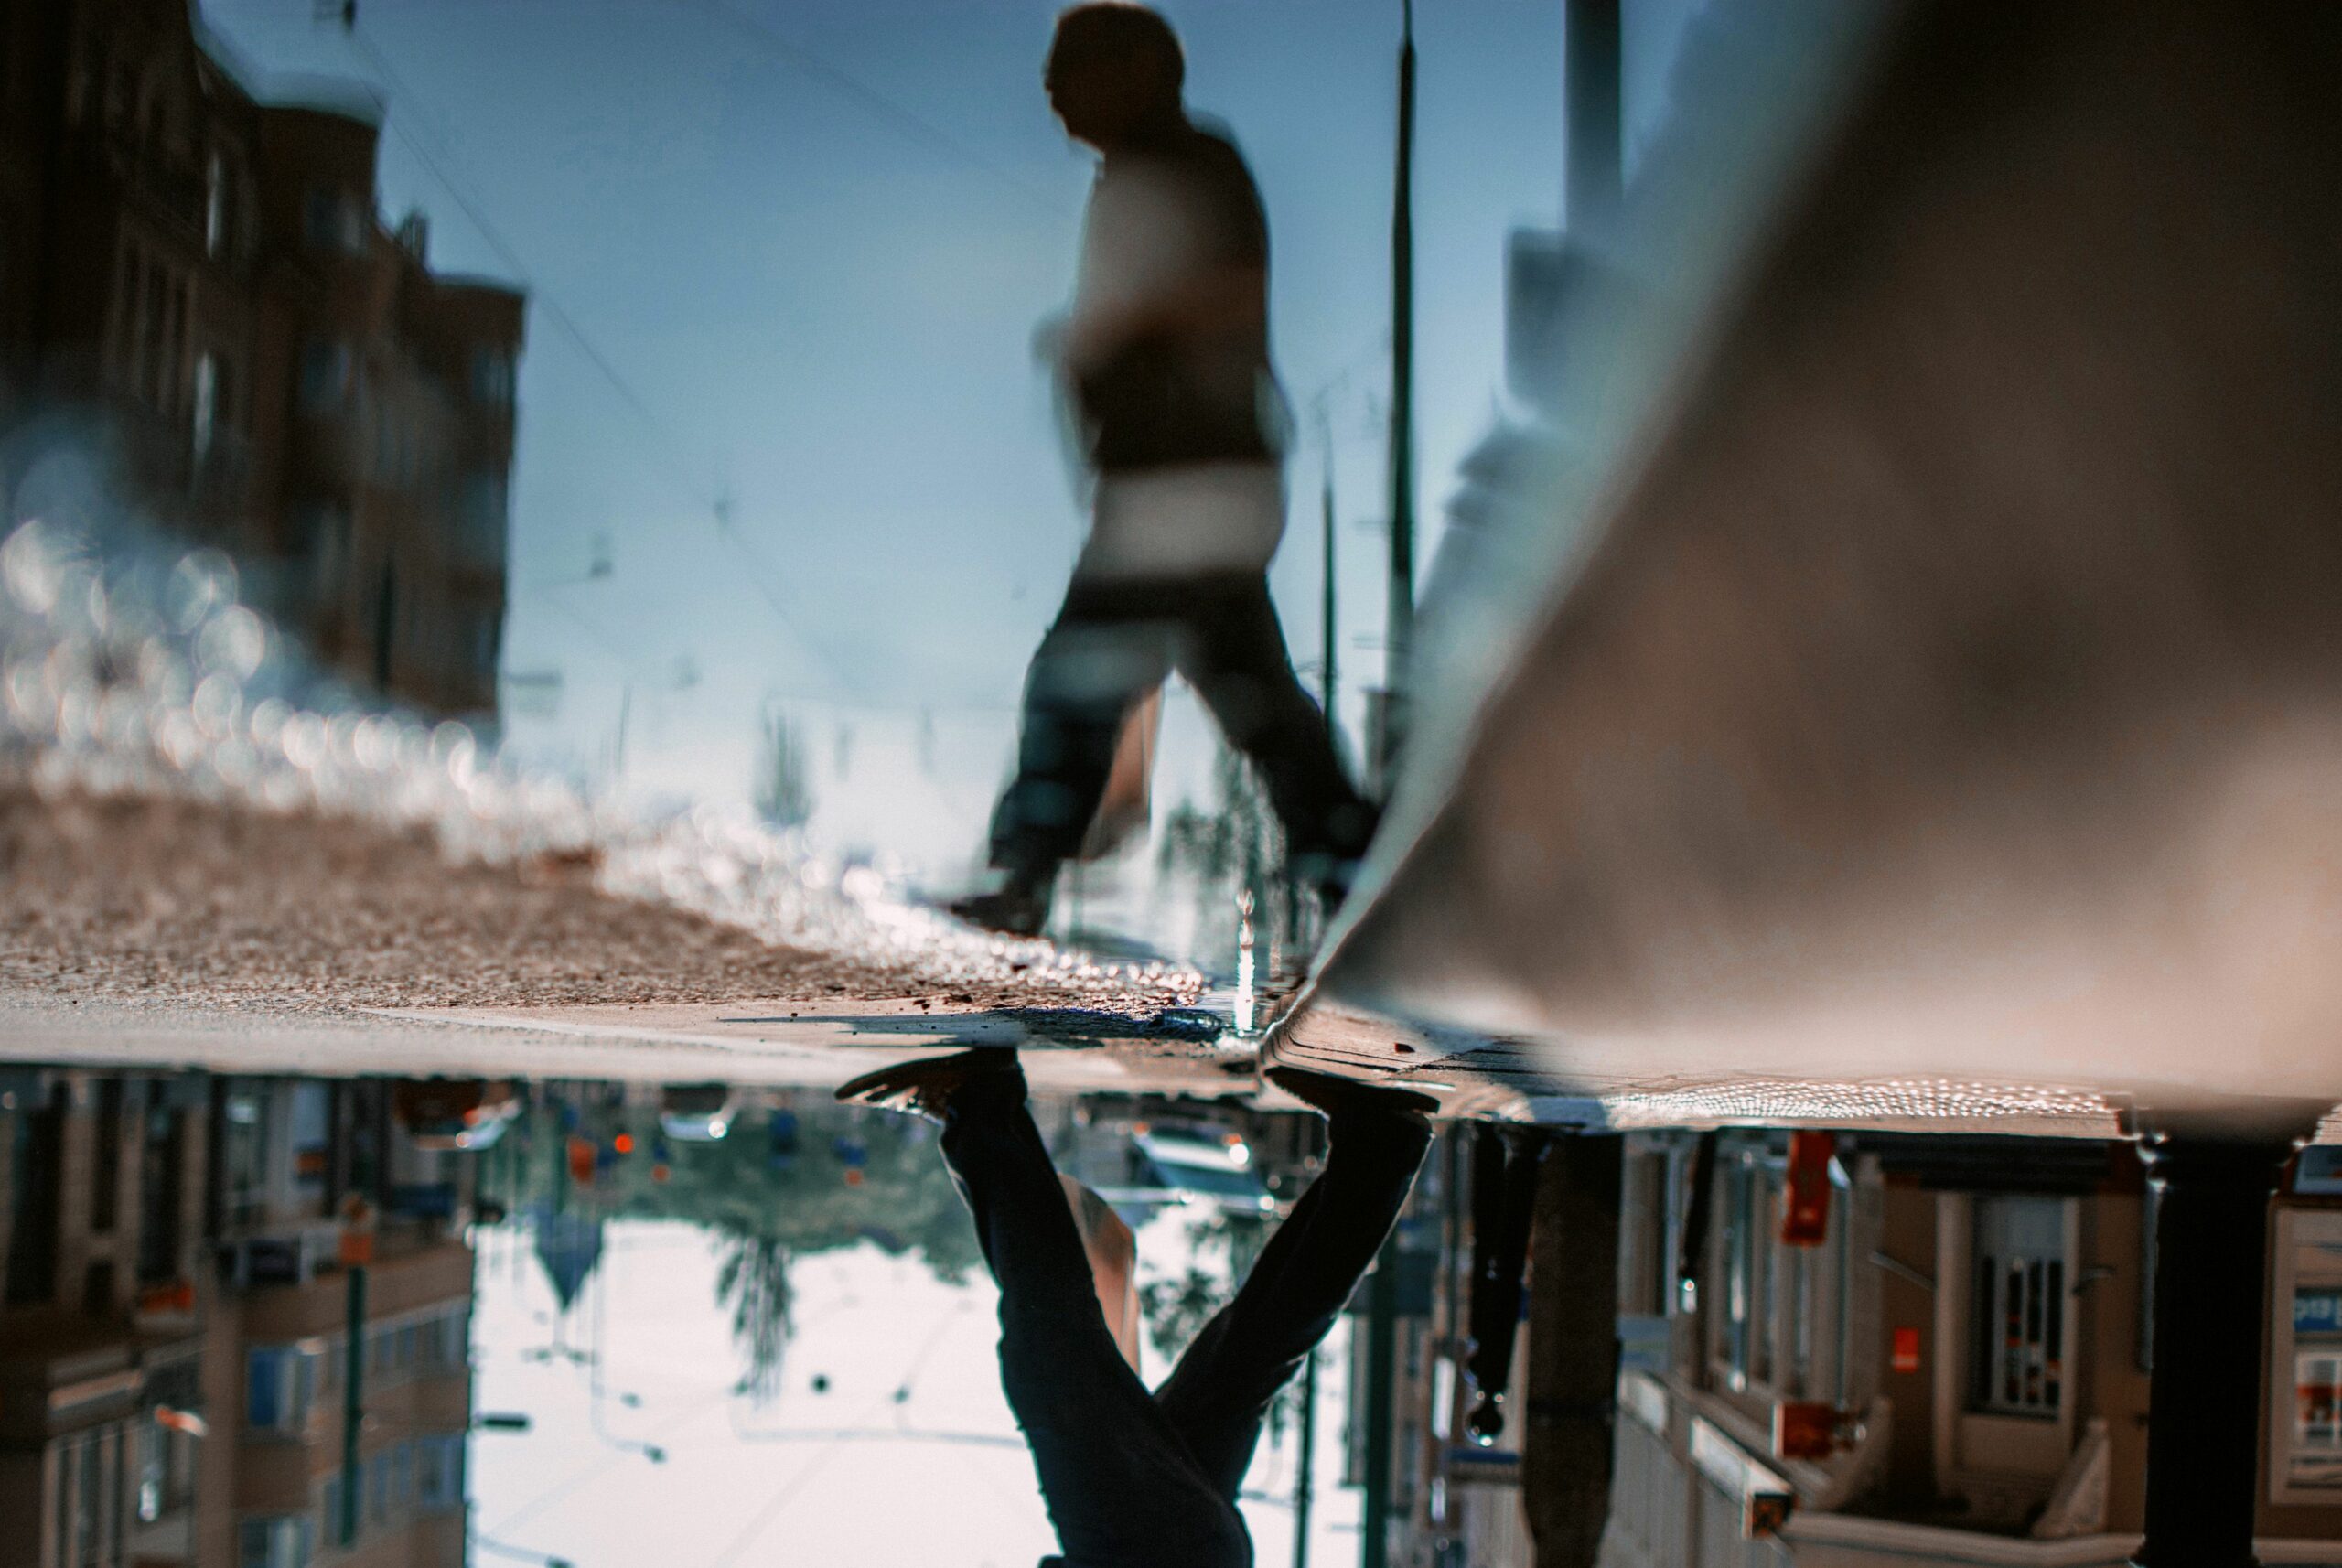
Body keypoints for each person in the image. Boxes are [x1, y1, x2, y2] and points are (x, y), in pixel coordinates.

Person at [954, 3, 1379, 938]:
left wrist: (1105, 340)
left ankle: (1025, 876)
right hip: (1197, 481)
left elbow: (1220, 293)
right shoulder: (1155, 172)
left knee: (1076, 677)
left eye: (1068, 72)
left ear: (1137, 72)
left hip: (1183, 481)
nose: (1052, 95)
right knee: (1251, 691)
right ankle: (1353, 862)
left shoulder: (1184, 166)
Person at [836, 1047, 1434, 1568]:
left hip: (1188, 1553)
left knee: (1247, 1357)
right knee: (1052, 1358)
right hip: (1144, 1555)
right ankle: (975, 1099)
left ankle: (1380, 1145)